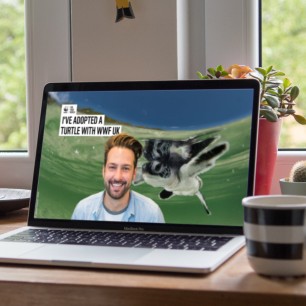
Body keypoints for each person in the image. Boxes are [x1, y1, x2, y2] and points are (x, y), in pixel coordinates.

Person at [71, 133, 165, 223]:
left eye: (125, 168)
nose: (117, 177)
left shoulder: (152, 215)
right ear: (103, 170)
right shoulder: (82, 211)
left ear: (134, 173)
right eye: (112, 167)